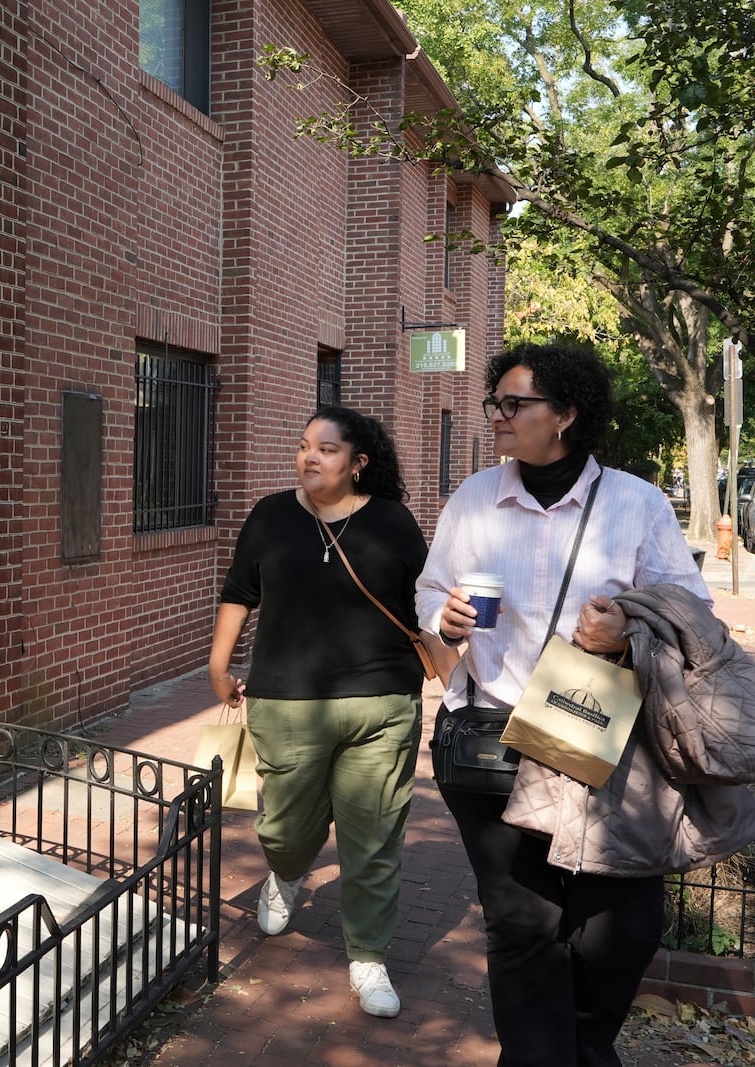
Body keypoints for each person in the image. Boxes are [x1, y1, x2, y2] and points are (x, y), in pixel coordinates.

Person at [416, 340, 716, 1066]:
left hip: (598, 740)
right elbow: (431, 590)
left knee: (623, 925)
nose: (499, 416)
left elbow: (693, 609)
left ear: (568, 415)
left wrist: (626, 626)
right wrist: (444, 618)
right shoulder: (473, 498)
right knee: (522, 924)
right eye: (497, 402)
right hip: (494, 737)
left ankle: (578, 1045)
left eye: (515, 404)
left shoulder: (636, 503)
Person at [209, 405, 428, 1019]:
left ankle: (368, 957)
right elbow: (239, 591)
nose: (309, 457)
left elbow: (426, 602)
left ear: (359, 463)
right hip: (286, 698)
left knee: (374, 835)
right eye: (305, 445)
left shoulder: (392, 522)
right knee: (284, 827)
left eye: (326, 449)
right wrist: (219, 663)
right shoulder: (272, 515)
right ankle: (285, 871)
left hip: (381, 700)